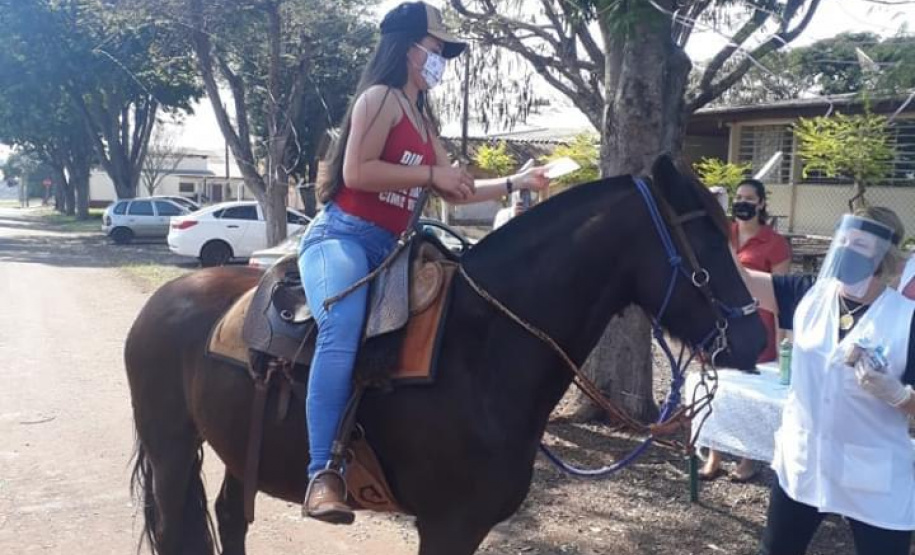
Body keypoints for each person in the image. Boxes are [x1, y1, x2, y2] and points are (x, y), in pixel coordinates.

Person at [298, 1, 550, 525]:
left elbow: (454, 188)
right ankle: (322, 472)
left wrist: (514, 183)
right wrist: (429, 176)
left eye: (443, 54)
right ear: (408, 48)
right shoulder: (381, 98)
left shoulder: (421, 117)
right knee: (341, 325)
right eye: (436, 50)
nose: (441, 61)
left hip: (394, 246)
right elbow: (358, 172)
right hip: (343, 238)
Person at [737, 206, 915, 555]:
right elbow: (741, 281)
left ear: (884, 254)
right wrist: (718, 224)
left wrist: (899, 397)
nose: (847, 249)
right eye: (843, 240)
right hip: (803, 462)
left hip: (874, 477)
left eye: (859, 244)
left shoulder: (906, 321)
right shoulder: (808, 294)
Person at [700, 178, 790, 482]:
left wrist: (781, 341)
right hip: (720, 324)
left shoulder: (775, 244)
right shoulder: (723, 233)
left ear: (762, 204)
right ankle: (714, 454)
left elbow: (781, 296)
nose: (743, 203)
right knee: (718, 389)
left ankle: (747, 459)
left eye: (750, 198)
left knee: (750, 395)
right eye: (739, 197)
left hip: (756, 327)